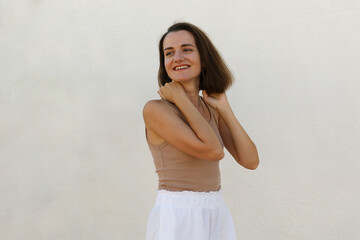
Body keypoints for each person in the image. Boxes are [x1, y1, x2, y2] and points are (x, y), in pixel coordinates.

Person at [143, 22, 259, 240]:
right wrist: (180, 98)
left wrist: (224, 108)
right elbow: (214, 151)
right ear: (164, 63)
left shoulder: (210, 109)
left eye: (187, 49)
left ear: (204, 59)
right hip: (178, 215)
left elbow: (250, 160)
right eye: (169, 53)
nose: (177, 57)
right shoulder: (156, 110)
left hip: (215, 210)